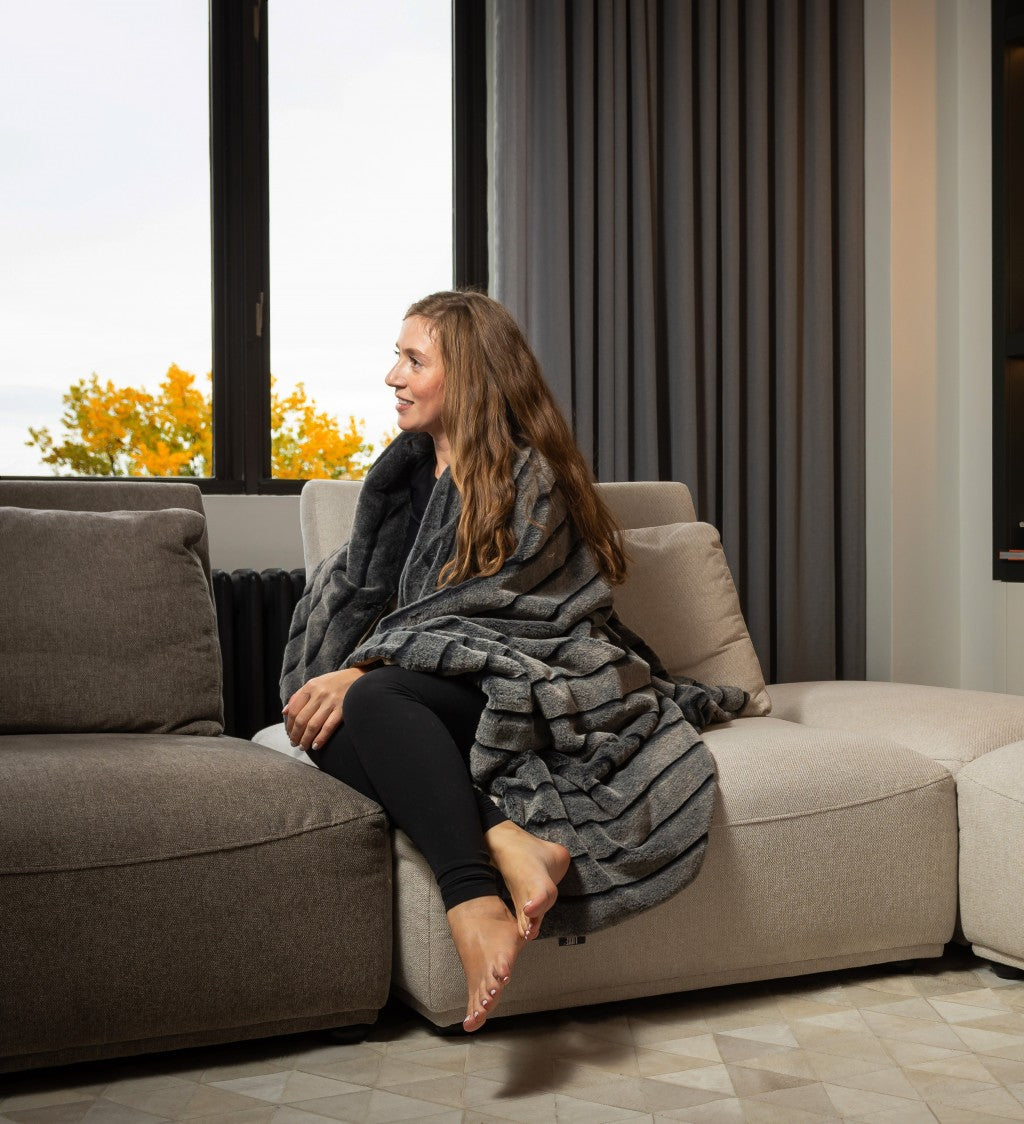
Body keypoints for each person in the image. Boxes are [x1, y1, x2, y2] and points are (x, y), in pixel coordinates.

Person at [280, 290, 744, 1033]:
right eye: (397, 358)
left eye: (414, 361)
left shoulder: (530, 477)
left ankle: (471, 901)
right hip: (429, 682)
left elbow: (507, 611)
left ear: (467, 374)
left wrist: (365, 668)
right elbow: (386, 602)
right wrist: (357, 662)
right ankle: (505, 836)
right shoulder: (401, 480)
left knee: (369, 700)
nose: (393, 377)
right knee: (321, 719)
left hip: (536, 676)